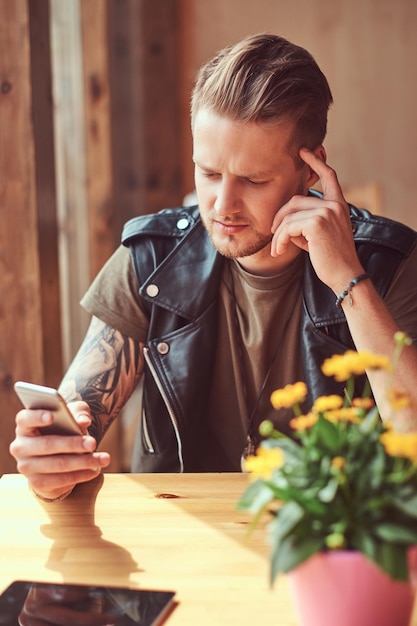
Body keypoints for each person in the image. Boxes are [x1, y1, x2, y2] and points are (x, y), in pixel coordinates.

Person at [10, 33, 417, 502]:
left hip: (328, 549)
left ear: (311, 171)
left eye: (252, 179)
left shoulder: (389, 264)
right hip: (181, 543)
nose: (222, 205)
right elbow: (75, 419)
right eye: (208, 173)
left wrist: (349, 280)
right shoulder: (152, 260)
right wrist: (52, 462)